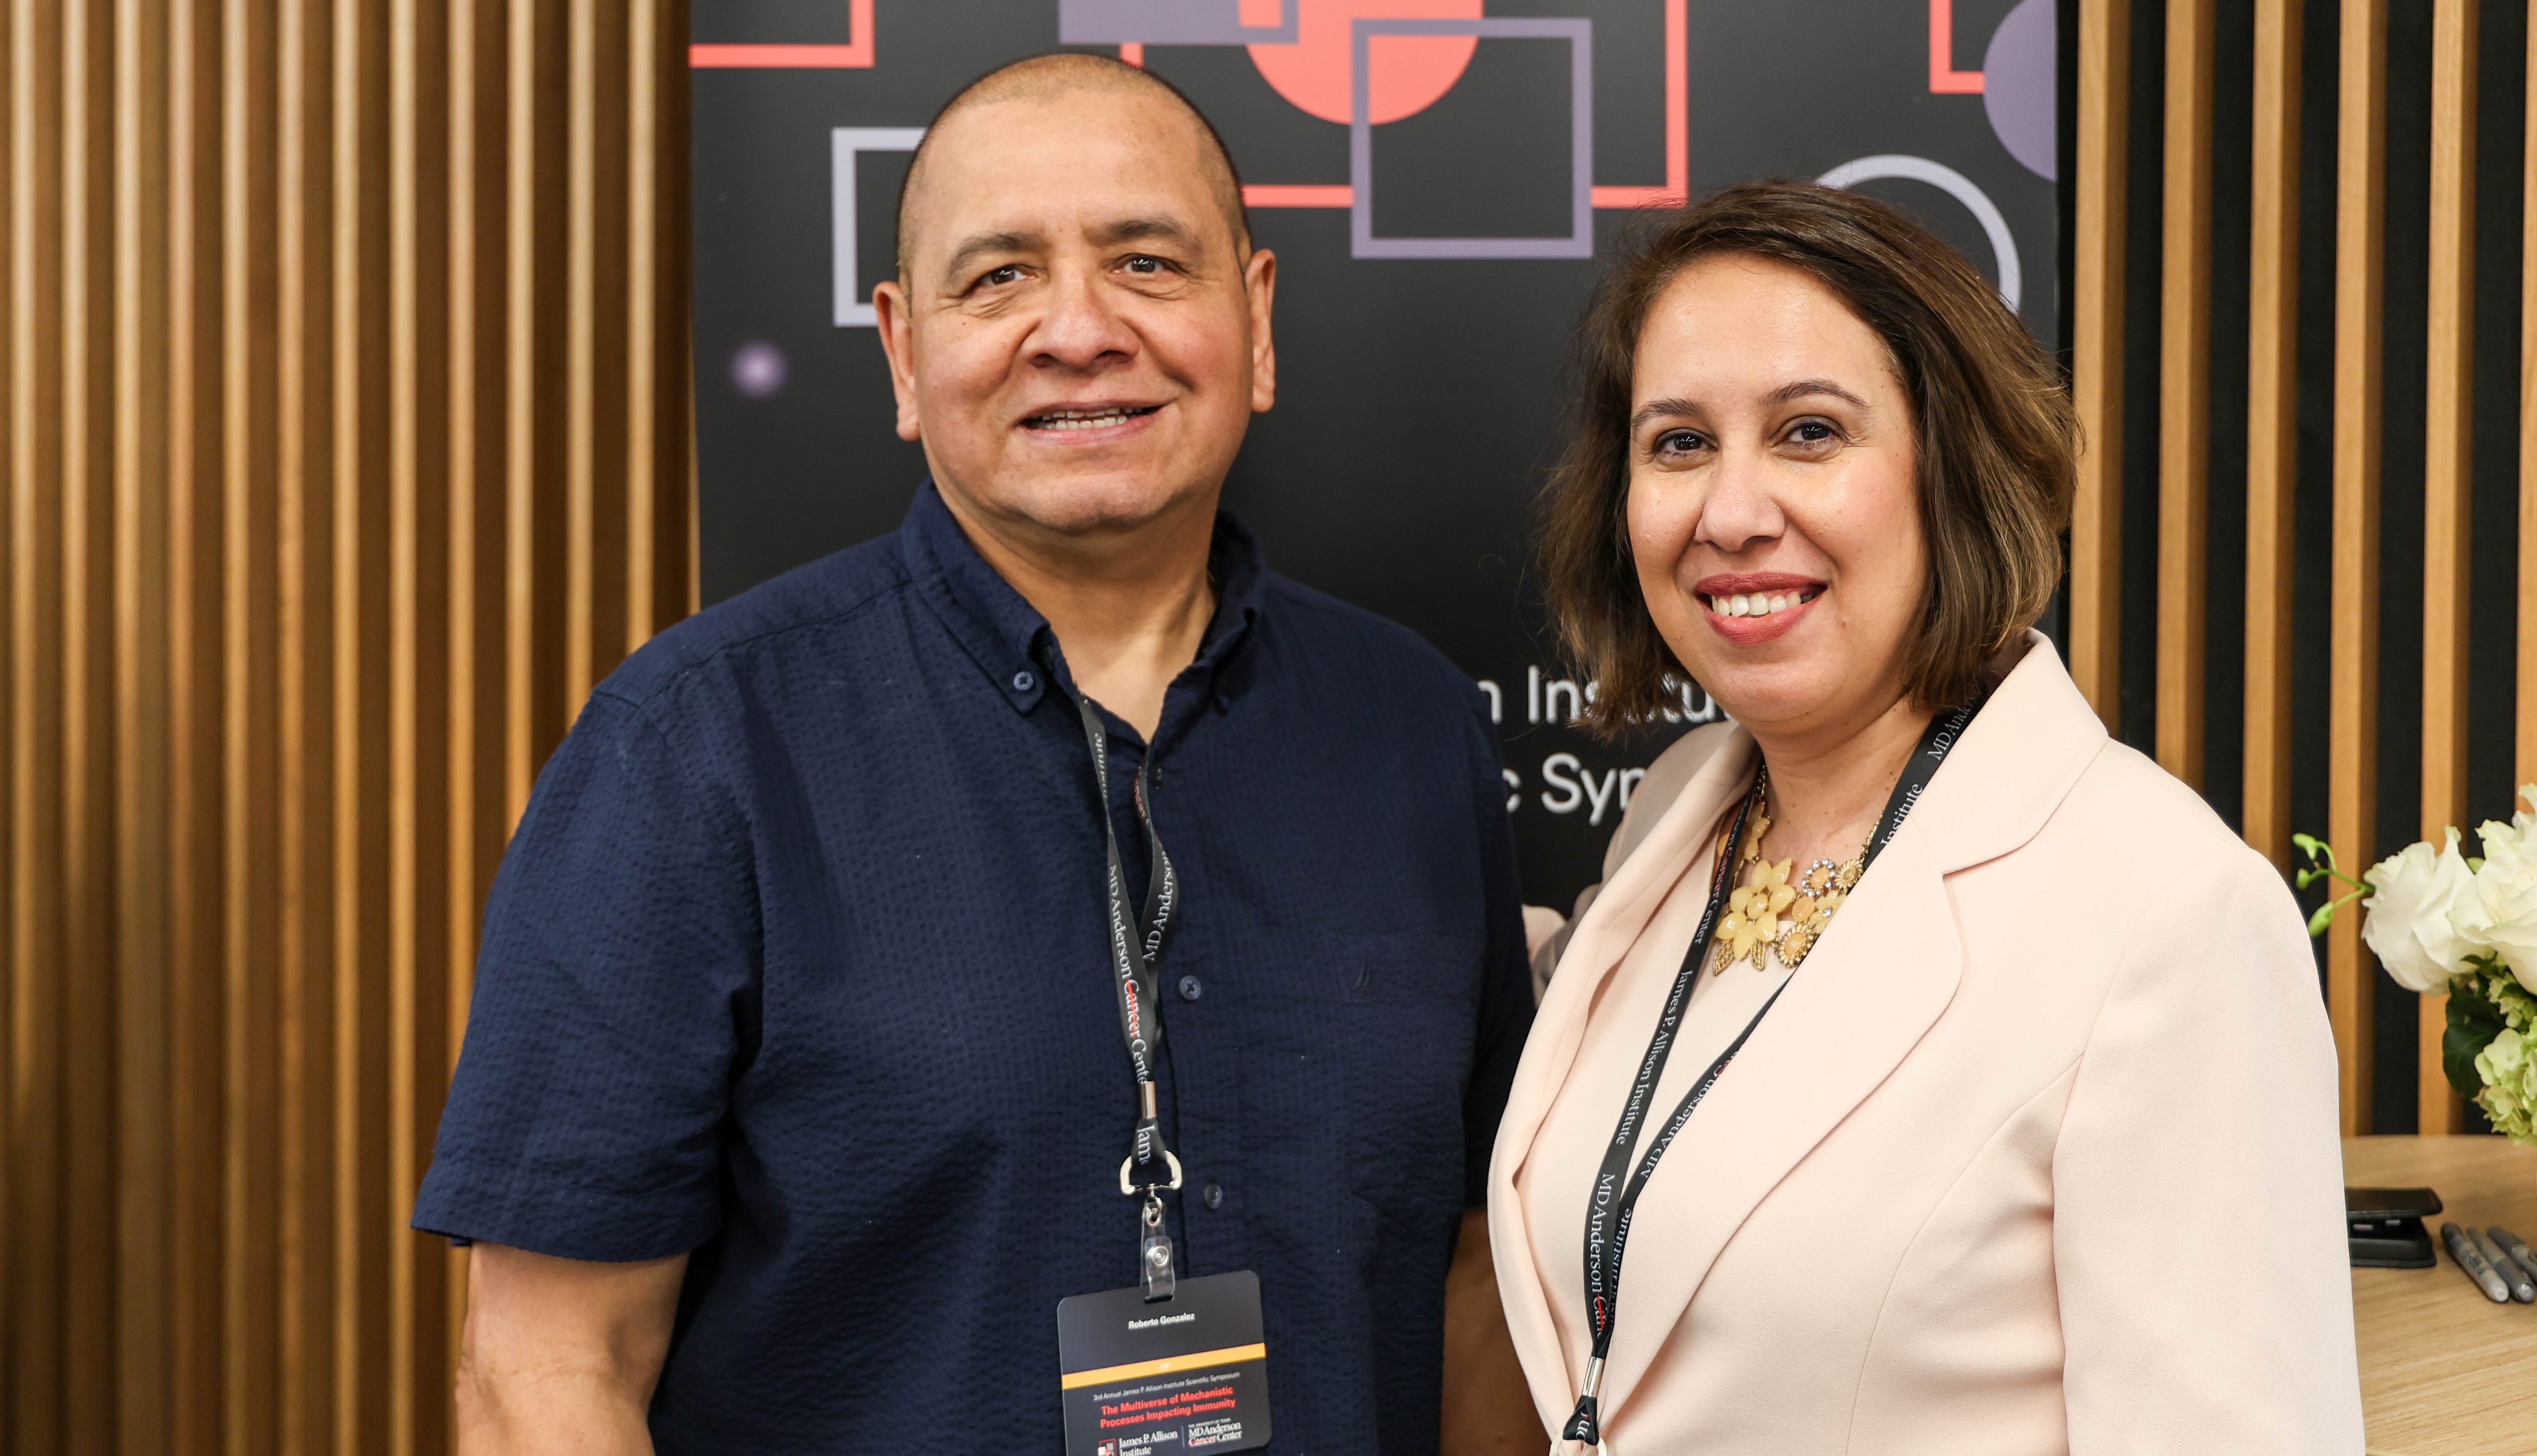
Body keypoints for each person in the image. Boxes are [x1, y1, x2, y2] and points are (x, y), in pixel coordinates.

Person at [417, 53, 1540, 1454]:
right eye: (1000, 276)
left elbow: (1475, 1279)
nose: (1078, 330)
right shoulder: (694, 748)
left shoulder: (1414, 725)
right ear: (902, 350)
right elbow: (546, 1367)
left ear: (1255, 321)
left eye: (1146, 262)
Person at [1491, 181, 2362, 1453]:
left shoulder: (2170, 917)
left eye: (1809, 432)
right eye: (1678, 444)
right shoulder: (1677, 809)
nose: (1731, 513)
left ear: (1953, 469)